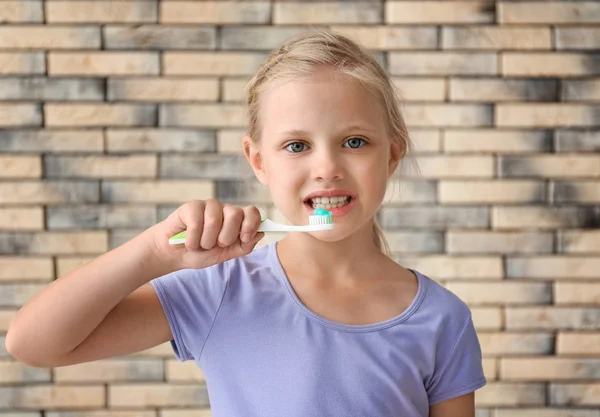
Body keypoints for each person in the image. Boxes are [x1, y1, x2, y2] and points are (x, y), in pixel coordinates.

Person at [5, 30, 486, 416]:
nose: (327, 168)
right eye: (297, 146)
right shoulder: (219, 291)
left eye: (355, 142)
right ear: (258, 161)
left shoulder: (442, 319)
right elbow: (32, 343)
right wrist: (154, 253)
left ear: (392, 156)